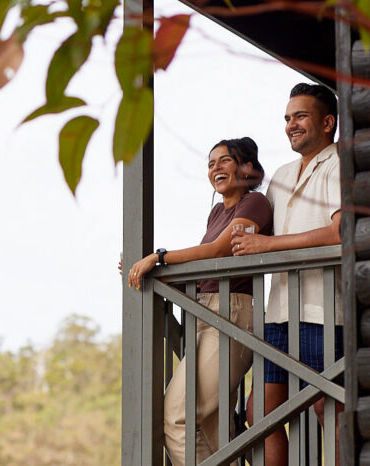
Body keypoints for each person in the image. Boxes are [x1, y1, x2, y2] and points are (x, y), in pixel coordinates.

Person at [124, 137, 272, 466]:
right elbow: (204, 256)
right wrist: (147, 263)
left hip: (232, 313)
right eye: (210, 163)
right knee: (209, 426)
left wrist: (159, 256)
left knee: (178, 418)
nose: (215, 168)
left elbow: (219, 250)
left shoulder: (256, 202)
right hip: (203, 311)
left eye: (224, 160)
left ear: (247, 168)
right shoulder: (217, 211)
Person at [235, 83, 343, 466]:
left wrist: (266, 247)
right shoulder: (280, 175)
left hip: (323, 310)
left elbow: (338, 232)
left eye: (300, 116)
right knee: (260, 413)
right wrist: (160, 259)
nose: (291, 125)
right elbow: (254, 232)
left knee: (327, 407)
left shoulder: (340, 162)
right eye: (286, 118)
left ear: (328, 122)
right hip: (278, 311)